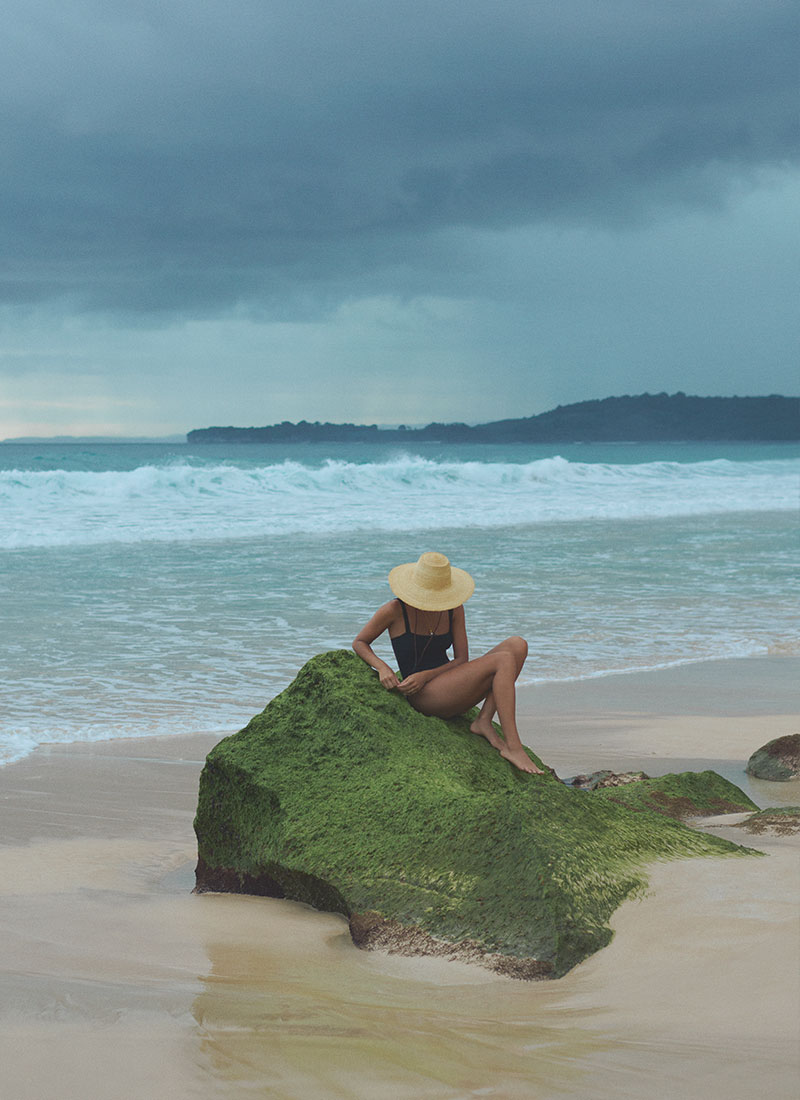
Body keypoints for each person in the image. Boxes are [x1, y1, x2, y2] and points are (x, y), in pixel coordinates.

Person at [353, 551, 542, 774]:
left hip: (446, 685)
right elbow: (360, 642)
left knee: (517, 645)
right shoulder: (394, 610)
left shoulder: (453, 608)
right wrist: (382, 667)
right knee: (503, 660)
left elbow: (462, 659)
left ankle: (483, 721)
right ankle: (513, 747)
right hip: (422, 696)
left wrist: (427, 675)